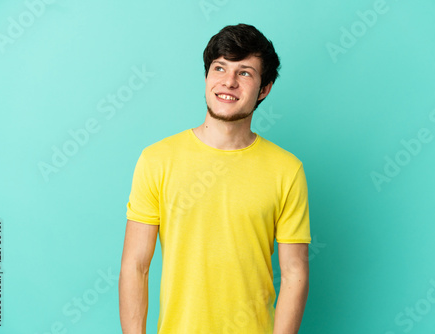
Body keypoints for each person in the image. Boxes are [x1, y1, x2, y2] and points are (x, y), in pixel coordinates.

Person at [119, 23, 311, 334]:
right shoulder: (157, 160)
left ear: (265, 88)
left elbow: (294, 272)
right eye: (220, 68)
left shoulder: (287, 170)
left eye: (245, 72)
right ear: (207, 77)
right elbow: (135, 267)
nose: (229, 81)